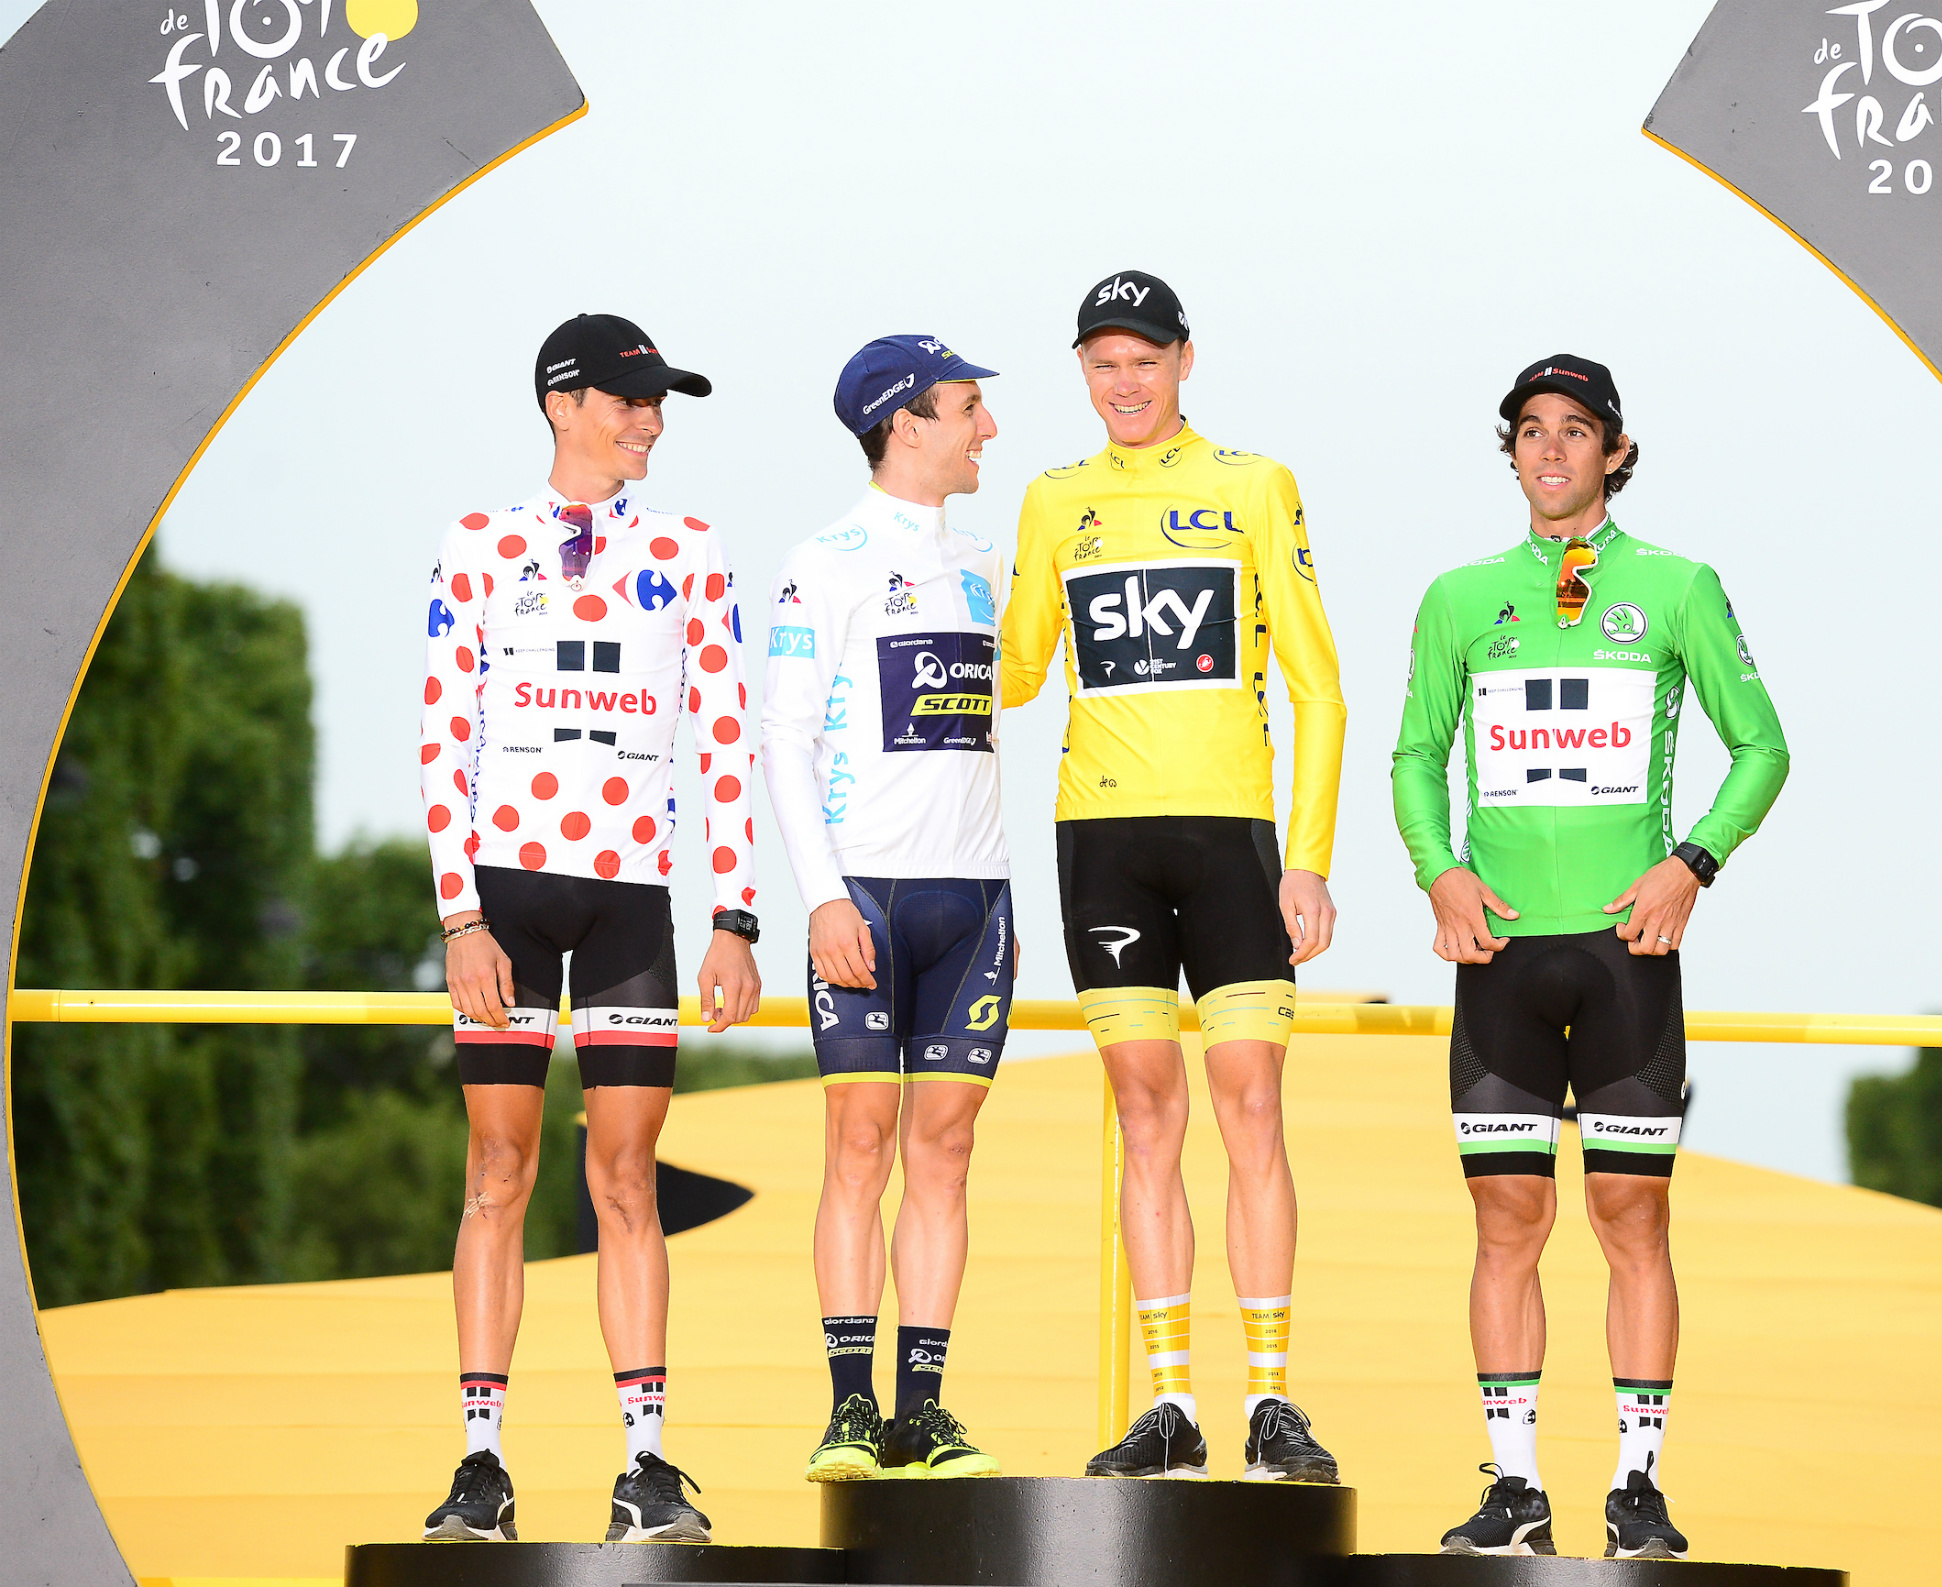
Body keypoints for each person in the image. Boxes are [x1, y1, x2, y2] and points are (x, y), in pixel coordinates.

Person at [1391, 356, 1788, 1560]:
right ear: (1509, 451)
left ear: (1614, 451)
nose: (1551, 449)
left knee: (1632, 1218)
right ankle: (1514, 1487)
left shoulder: (1675, 585)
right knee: (1504, 1219)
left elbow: (1762, 746)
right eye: (1530, 430)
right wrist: (1439, 871)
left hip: (1625, 952)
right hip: (1500, 957)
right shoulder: (1460, 596)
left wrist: (1692, 863)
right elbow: (1415, 756)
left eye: (1575, 430)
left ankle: (1638, 1488)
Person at [417, 313, 762, 1544]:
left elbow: (725, 736)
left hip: (630, 898)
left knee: (626, 1179)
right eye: (628, 399)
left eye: (659, 400)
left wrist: (735, 915)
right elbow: (443, 734)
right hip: (504, 893)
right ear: (561, 404)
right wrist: (459, 913)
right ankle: (482, 1466)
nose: (649, 420)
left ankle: (646, 1467)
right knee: (498, 1173)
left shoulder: (690, 546)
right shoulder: (478, 543)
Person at [999, 271, 1346, 1482]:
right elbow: (1015, 673)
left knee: (1250, 1104)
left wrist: (1309, 858)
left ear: (1184, 361)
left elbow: (1318, 686)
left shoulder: (1253, 484)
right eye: (1102, 363)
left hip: (1231, 836)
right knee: (1146, 1113)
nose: (1124, 383)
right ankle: (1170, 1407)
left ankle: (1271, 1400)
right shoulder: (1053, 499)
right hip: (1102, 843)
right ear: (1080, 372)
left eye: (1143, 360)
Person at [759, 335, 1012, 1482]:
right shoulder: (824, 562)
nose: (987, 428)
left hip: (974, 899)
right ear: (905, 422)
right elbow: (784, 740)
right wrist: (821, 899)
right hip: (860, 890)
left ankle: (924, 1409)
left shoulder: (986, 563)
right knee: (858, 1144)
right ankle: (849, 1407)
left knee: (945, 1151)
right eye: (967, 408)